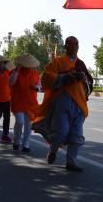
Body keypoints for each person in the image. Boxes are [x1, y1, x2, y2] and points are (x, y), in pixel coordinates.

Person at [37, 36, 90, 172]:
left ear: (78, 46)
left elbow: (89, 83)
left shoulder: (81, 64)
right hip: (62, 101)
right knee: (61, 132)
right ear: (65, 46)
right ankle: (53, 150)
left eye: (75, 44)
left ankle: (71, 162)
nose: (73, 46)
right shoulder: (57, 62)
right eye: (69, 44)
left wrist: (83, 78)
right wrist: (65, 77)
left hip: (79, 103)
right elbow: (47, 78)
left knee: (76, 135)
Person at [10, 54, 40, 152]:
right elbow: (11, 83)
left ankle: (26, 144)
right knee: (20, 122)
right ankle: (16, 141)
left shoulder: (35, 73)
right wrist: (16, 72)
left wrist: (37, 87)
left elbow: (39, 86)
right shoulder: (16, 72)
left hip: (31, 103)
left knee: (29, 125)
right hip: (18, 101)